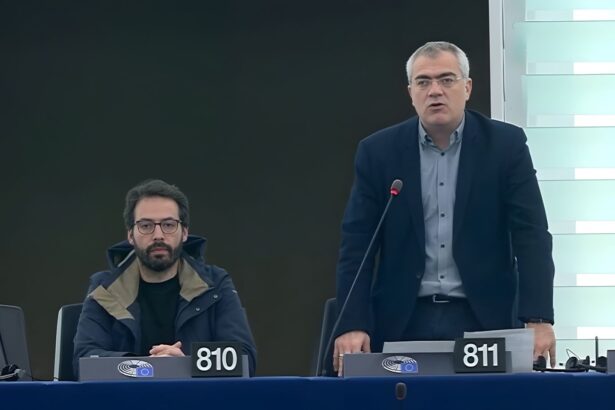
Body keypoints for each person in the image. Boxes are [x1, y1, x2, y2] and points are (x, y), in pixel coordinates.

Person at [333, 41, 555, 375]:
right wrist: (352, 323)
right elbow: (357, 245)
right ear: (411, 92)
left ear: (467, 88)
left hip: (484, 316)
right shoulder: (379, 152)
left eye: (447, 80)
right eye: (423, 82)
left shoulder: (505, 146)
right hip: (404, 316)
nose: (435, 91)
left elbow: (532, 235)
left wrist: (538, 318)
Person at [73, 179, 256, 376]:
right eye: (146, 226)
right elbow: (84, 361)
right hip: (129, 395)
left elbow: (244, 358)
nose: (158, 235)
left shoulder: (216, 284)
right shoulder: (104, 288)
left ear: (184, 232)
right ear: (130, 235)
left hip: (195, 394)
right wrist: (146, 367)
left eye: (168, 225)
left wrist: (185, 363)